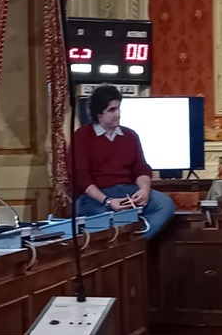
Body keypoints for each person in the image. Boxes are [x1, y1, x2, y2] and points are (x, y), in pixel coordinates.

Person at [72, 85, 175, 239]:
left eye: (118, 108)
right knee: (108, 218)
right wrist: (108, 201)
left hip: (128, 191)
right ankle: (119, 246)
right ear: (99, 113)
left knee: (165, 205)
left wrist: (144, 190)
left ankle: (136, 242)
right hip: (97, 196)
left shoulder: (130, 135)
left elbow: (141, 168)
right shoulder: (82, 135)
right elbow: (81, 178)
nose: (118, 114)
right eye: (112, 110)